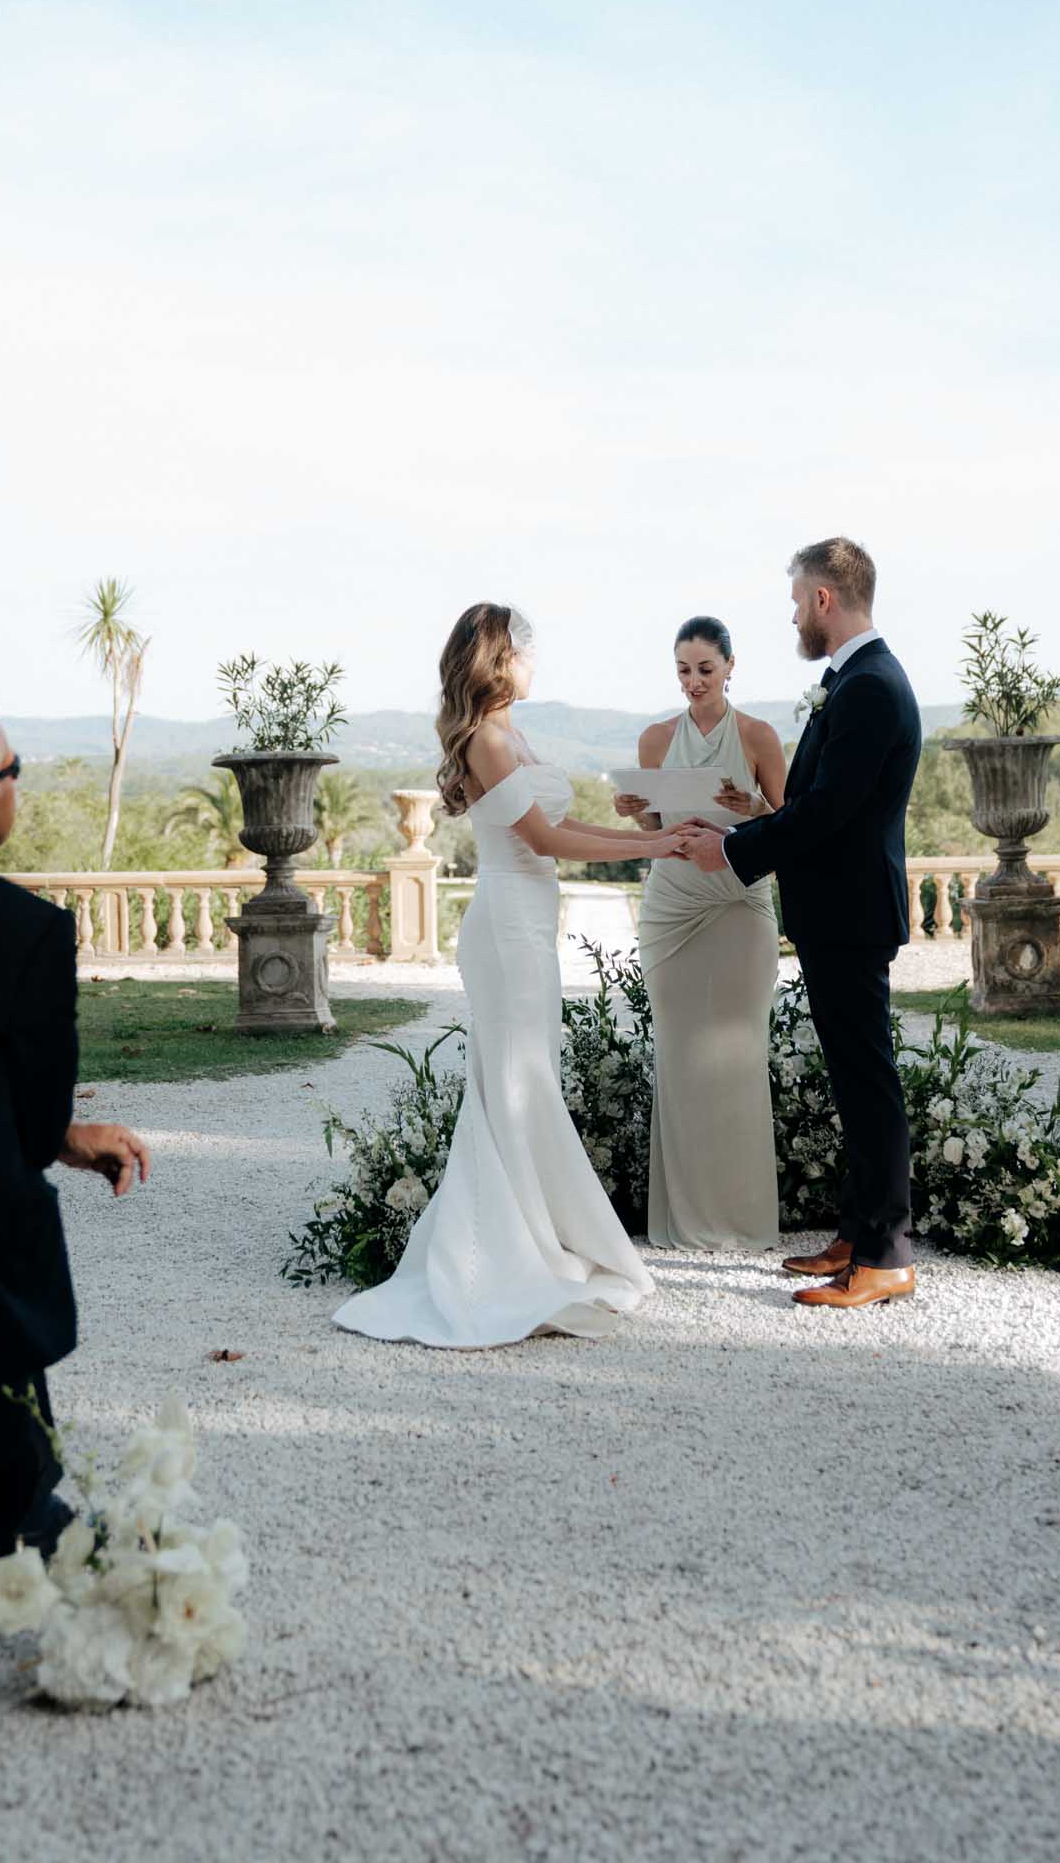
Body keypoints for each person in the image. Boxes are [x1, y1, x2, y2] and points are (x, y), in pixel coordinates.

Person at [333, 605, 679, 1350]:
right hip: (504, 931)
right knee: (519, 1087)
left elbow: (561, 837)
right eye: (524, 650)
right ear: (498, 659)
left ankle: (538, 1239)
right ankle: (510, 1256)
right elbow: (547, 837)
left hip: (528, 925)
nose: (533, 661)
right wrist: (655, 847)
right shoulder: (488, 740)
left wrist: (651, 838)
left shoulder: (511, 733)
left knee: (527, 1081)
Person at [677, 538, 922, 1311]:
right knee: (854, 1079)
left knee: (867, 1079)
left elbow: (828, 810)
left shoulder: (871, 687)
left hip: (851, 912)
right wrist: (745, 820)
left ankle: (885, 1256)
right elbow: (809, 800)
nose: (791, 614)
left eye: (795, 600)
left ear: (824, 599)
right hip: (834, 910)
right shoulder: (847, 681)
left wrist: (735, 850)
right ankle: (858, 1231)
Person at [0, 674, 150, 1564]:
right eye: (17, 770)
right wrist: (64, 1139)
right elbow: (28, 1132)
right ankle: (25, 1513)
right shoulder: (24, 933)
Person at [614, 616, 785, 1250]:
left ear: (731, 667)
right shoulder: (655, 739)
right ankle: (683, 1221)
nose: (693, 681)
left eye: (705, 669)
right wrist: (636, 812)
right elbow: (656, 834)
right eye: (683, 669)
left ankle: (742, 1220)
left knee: (741, 1059)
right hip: (672, 912)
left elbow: (794, 829)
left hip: (741, 908)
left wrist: (756, 811)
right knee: (681, 1061)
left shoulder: (760, 737)